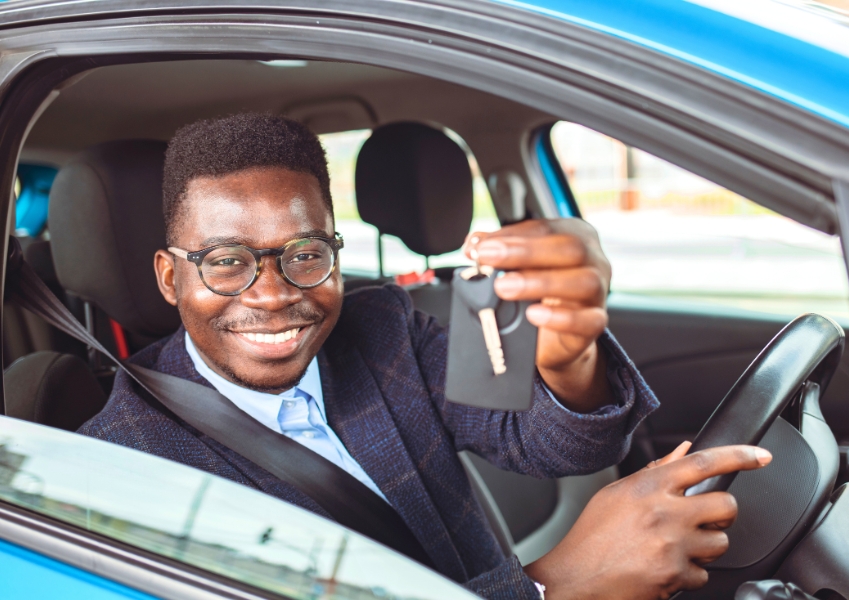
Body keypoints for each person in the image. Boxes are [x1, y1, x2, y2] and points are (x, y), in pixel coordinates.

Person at [79, 113, 770, 600]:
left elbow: (552, 444)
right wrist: (552, 585)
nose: (273, 293)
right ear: (170, 276)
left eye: (306, 254)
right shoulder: (117, 465)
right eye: (227, 261)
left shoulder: (385, 329)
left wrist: (568, 360)